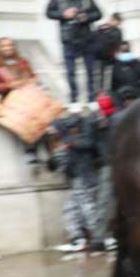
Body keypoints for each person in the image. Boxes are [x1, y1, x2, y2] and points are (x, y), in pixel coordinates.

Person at [49, 106, 106, 253]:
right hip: (78, 181)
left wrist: (66, 145)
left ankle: (98, 239)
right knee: (71, 210)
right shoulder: (72, 141)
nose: (71, 130)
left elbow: (86, 145)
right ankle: (78, 238)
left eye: (73, 127)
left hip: (84, 181)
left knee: (88, 210)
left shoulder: (80, 141)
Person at [45, 0, 102, 101]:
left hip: (86, 38)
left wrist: (86, 17)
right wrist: (63, 14)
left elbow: (98, 13)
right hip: (68, 40)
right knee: (71, 73)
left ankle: (92, 98)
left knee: (91, 71)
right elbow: (48, 13)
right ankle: (74, 99)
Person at [106, 40, 140, 106]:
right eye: (123, 51)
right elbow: (111, 90)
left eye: (126, 51)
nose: (125, 53)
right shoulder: (114, 69)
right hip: (122, 103)